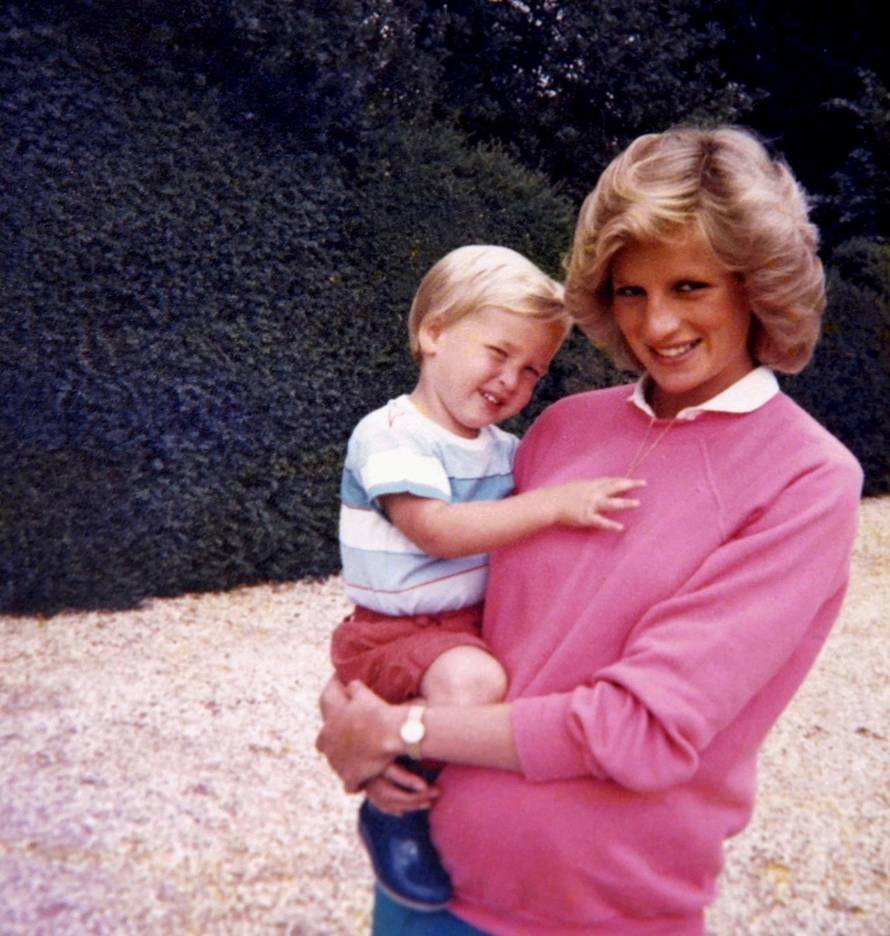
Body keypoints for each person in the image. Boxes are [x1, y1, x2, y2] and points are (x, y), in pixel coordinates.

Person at [317, 126, 864, 935]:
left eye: (690, 286)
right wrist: (346, 711)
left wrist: (403, 727)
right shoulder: (561, 429)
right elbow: (429, 599)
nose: (656, 324)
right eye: (631, 291)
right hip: (423, 889)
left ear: (757, 285)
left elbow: (639, 729)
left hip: (591, 913)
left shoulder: (806, 479)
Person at [333, 244, 643, 911]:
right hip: (393, 633)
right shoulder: (391, 435)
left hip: (461, 628)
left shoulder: (508, 451)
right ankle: (396, 808)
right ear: (433, 333)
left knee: (490, 680)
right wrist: (555, 505)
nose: (511, 380)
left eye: (532, 370)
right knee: (474, 682)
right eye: (498, 352)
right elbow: (436, 531)